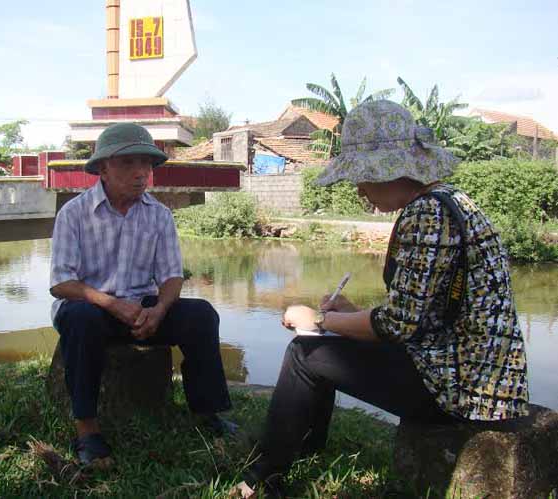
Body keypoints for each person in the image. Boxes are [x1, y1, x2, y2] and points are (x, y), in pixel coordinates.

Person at [240, 100, 529, 494]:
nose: (358, 188)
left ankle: (262, 477)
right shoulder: (451, 201)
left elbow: (396, 325)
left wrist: (319, 320)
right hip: (484, 381)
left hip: (460, 390)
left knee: (305, 353)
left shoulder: (426, 214)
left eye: (360, 177)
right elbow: (422, 315)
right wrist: (350, 315)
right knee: (324, 342)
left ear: (387, 170)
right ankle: (303, 448)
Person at [50, 123, 236, 465]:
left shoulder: (159, 215)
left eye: (146, 164)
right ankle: (87, 430)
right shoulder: (73, 214)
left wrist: (160, 310)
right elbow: (61, 283)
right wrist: (112, 304)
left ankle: (207, 414)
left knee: (201, 315)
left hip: (142, 308)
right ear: (103, 169)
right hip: (92, 306)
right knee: (80, 318)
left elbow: (171, 276)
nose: (141, 174)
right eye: (128, 163)